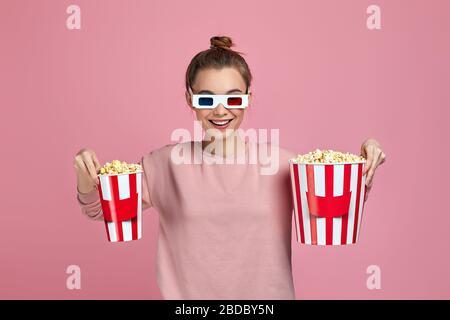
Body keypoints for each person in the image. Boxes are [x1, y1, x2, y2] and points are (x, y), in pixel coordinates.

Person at [74, 35, 387, 299]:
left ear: (249, 99)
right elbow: (100, 209)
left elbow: (332, 207)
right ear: (189, 100)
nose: (221, 111)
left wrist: (364, 168)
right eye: (207, 100)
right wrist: (86, 174)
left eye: (233, 99)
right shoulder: (164, 165)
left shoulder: (283, 165)